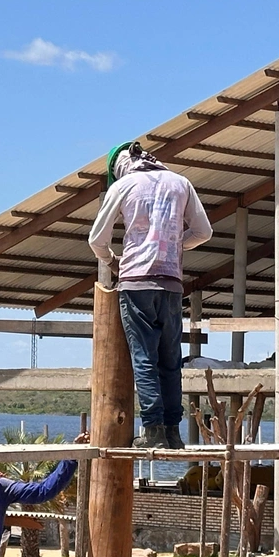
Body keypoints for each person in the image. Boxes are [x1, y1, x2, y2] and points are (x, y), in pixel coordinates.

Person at [88, 142, 212, 449]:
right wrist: (172, 243)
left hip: (136, 282)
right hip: (171, 283)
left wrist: (111, 261)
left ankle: (153, 430)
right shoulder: (181, 183)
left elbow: (96, 240)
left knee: (144, 359)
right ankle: (173, 432)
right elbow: (203, 231)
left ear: (120, 166)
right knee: (170, 362)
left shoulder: (125, 185)